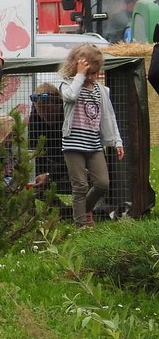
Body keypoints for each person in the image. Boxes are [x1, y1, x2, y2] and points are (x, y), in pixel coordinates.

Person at [58, 45, 124, 227]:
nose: (90, 77)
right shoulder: (68, 85)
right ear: (76, 67)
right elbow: (71, 97)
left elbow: (109, 116)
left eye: (94, 73)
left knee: (103, 183)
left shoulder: (101, 90)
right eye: (87, 73)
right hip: (73, 144)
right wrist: (79, 76)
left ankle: (84, 209)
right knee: (80, 186)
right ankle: (81, 226)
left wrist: (117, 141)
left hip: (94, 145)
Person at [27, 82, 69, 196]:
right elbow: (34, 149)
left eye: (49, 112)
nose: (45, 116)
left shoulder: (68, 113)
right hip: (49, 160)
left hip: (69, 159)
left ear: (58, 104)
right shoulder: (35, 116)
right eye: (42, 113)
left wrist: (50, 175)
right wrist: (40, 174)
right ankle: (61, 211)